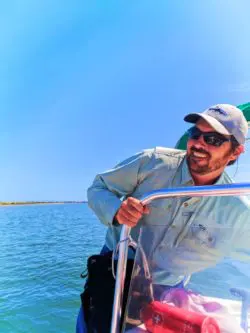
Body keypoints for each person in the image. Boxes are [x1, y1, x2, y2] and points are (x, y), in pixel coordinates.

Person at [77, 104, 250, 332]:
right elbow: (98, 188)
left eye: (214, 139)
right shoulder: (152, 162)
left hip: (167, 289)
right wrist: (117, 210)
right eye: (195, 134)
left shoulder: (238, 211)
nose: (198, 143)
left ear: (236, 152)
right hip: (114, 270)